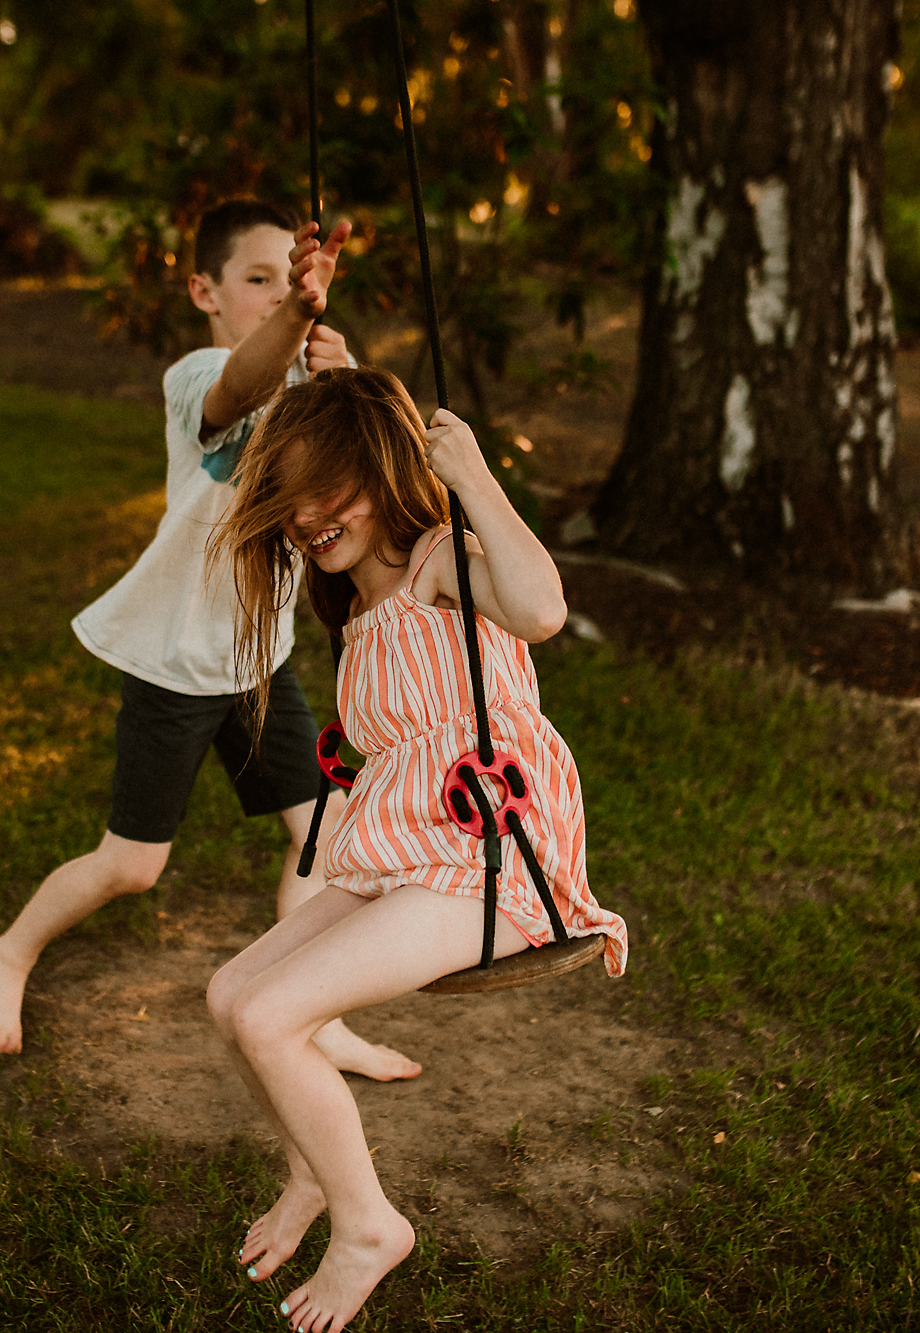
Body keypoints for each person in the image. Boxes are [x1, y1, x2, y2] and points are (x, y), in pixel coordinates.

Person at [204, 368, 628, 1332]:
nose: (309, 517)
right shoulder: (356, 604)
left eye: (331, 489)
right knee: (231, 997)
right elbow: (351, 413)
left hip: (492, 859)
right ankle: (312, 1174)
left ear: (386, 468)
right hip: (408, 847)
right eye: (291, 499)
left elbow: (542, 610)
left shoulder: (441, 556)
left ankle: (369, 1224)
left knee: (273, 1017)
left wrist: (474, 478)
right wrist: (328, 371)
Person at [0, 200, 420, 1084]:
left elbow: (364, 476)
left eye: (287, 283)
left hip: (259, 665)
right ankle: (8, 952)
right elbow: (244, 386)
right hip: (175, 666)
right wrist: (297, 316)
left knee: (325, 838)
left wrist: (346, 377)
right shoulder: (198, 377)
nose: (277, 299)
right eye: (260, 281)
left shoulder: (307, 383)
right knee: (132, 866)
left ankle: (312, 1010)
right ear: (203, 290)